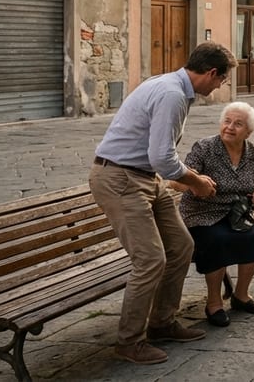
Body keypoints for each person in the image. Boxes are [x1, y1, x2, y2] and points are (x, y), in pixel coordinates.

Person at [89, 42, 231, 365]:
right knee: (150, 258)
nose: (220, 86)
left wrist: (184, 177)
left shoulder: (171, 86)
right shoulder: (172, 94)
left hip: (143, 177)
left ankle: (162, 322)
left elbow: (157, 158)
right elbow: (162, 158)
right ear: (211, 73)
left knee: (181, 245)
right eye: (221, 80)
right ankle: (129, 341)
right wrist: (195, 181)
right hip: (121, 178)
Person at [176, 102, 254, 328]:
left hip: (237, 213)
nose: (230, 127)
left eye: (238, 124)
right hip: (203, 211)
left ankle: (241, 296)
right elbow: (181, 179)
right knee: (217, 240)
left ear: (248, 131)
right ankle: (214, 302)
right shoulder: (204, 148)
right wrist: (195, 184)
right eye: (227, 121)